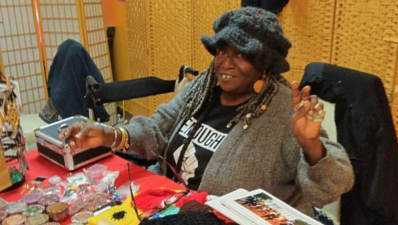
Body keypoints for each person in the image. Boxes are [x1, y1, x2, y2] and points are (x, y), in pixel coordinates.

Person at [59, 7, 354, 216]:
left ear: (265, 64)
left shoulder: (280, 110)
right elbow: (158, 129)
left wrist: (311, 145)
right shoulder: (204, 86)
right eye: (222, 50)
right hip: (169, 205)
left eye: (242, 55)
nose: (226, 63)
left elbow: (330, 188)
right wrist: (108, 134)